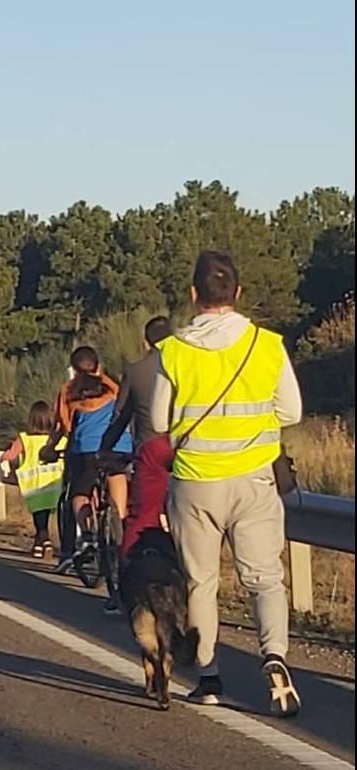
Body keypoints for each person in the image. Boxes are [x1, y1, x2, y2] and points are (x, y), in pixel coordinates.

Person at [150, 251, 303, 716]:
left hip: (196, 481)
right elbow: (292, 412)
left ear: (194, 295)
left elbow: (159, 420)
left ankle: (210, 677)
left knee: (201, 582)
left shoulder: (172, 351)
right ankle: (274, 656)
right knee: (265, 579)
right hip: (253, 478)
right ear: (237, 293)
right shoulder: (266, 344)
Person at [43, 346, 133, 612]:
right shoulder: (113, 385)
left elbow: (65, 426)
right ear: (99, 365)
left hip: (86, 451)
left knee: (79, 493)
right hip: (119, 446)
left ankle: (89, 534)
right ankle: (119, 518)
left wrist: (50, 448)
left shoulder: (69, 390)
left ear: (73, 368)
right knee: (117, 476)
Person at [102, 315, 174, 558]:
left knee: (142, 515)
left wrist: (105, 448)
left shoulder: (135, 370)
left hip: (151, 446)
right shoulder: (189, 364)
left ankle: (130, 573)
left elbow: (120, 416)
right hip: (190, 447)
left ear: (146, 342)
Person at [1, 401, 67, 558]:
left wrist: (2, 458)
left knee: (39, 516)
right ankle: (38, 546)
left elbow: (9, 456)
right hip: (55, 485)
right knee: (46, 514)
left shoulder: (25, 439)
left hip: (34, 486)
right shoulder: (58, 440)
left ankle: (45, 541)